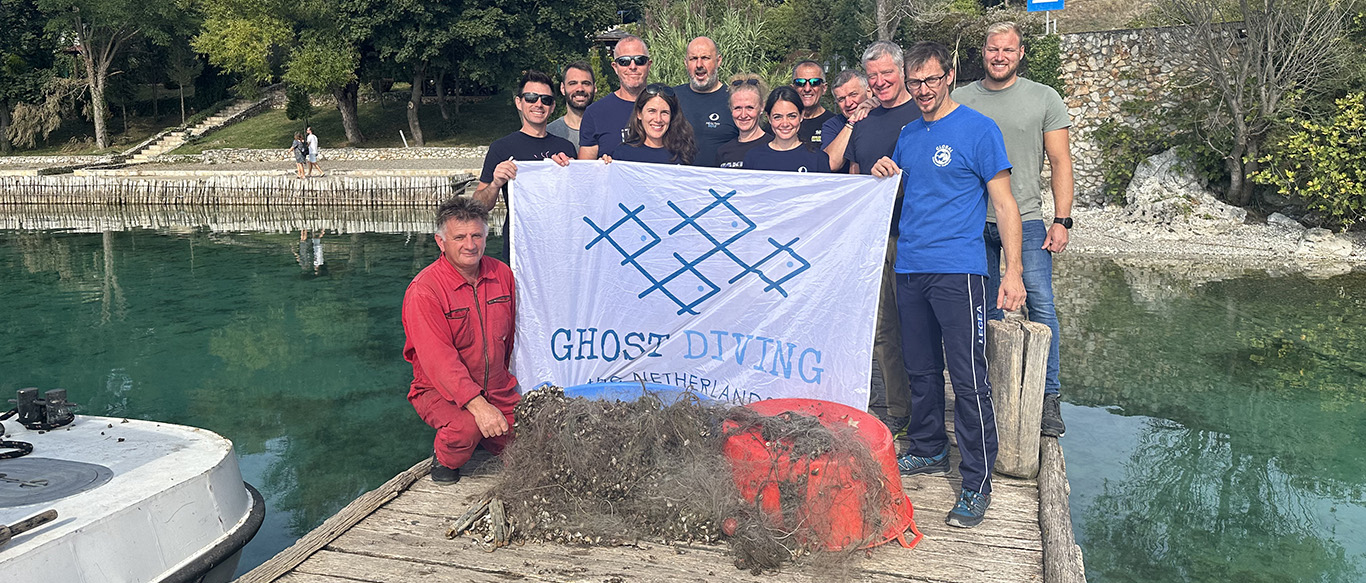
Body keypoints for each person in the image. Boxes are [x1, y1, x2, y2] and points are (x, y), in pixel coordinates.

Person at [870, 41, 1026, 529]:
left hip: (959, 269)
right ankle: (929, 447)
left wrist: (1014, 271)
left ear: (950, 76)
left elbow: (1004, 205)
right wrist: (882, 173)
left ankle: (977, 480)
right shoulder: (909, 133)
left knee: (968, 377)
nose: (922, 90)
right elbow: (901, 192)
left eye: (931, 80)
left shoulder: (979, 129)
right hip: (911, 266)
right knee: (919, 369)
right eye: (914, 82)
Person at [952, 22, 1074, 438]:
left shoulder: (1044, 98)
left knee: (1041, 304)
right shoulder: (960, 99)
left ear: (1020, 53)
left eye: (1007, 50)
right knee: (981, 310)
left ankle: (1048, 397)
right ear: (982, 52)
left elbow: (1060, 162)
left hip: (1025, 218)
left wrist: (1062, 219)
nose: (999, 56)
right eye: (992, 49)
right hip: (972, 222)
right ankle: (987, 390)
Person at [402, 196, 518, 484]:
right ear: (441, 242)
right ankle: (443, 459)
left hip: (497, 386)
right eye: (460, 237)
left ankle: (490, 435)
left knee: (540, 440)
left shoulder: (502, 274)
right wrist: (479, 408)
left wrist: (501, 395)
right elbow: (439, 362)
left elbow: (515, 337)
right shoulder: (424, 290)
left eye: (476, 235)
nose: (470, 244)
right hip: (439, 390)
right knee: (466, 428)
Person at [845, 41, 920, 439]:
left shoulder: (922, 113)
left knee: (921, 329)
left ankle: (927, 412)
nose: (880, 81)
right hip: (875, 241)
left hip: (918, 238)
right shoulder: (865, 124)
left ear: (903, 71)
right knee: (884, 331)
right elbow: (855, 179)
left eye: (887, 73)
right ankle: (898, 409)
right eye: (872, 76)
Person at [472, 70, 577, 212]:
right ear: (519, 102)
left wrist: (572, 173)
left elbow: (579, 200)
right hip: (518, 233)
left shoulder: (566, 148)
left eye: (546, 100)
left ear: (552, 107)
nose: (539, 104)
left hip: (558, 233)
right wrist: (495, 184)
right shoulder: (501, 148)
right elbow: (478, 207)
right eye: (531, 97)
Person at [579, 35, 652, 160]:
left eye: (640, 60)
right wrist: (600, 167)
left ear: (649, 65)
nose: (632, 66)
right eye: (624, 61)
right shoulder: (595, 113)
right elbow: (585, 171)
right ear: (615, 67)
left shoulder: (666, 107)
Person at [672, 37, 738, 167]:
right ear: (686, 63)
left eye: (705, 58)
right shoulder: (672, 97)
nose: (699, 65)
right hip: (679, 184)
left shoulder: (734, 99)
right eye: (693, 59)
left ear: (718, 61)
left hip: (720, 185)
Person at [604, 83, 697, 165]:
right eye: (652, 111)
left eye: (664, 112)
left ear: (672, 116)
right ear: (639, 113)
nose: (658, 119)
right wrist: (603, 168)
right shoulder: (623, 154)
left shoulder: (683, 154)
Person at [742, 86, 829, 173]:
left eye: (791, 116)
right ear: (769, 118)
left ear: (801, 115)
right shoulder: (753, 157)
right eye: (777, 117)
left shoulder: (818, 159)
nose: (785, 123)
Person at [820, 70, 876, 173]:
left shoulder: (882, 116)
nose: (848, 103)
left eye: (853, 95)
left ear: (869, 92)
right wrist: (851, 122)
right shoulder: (832, 125)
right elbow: (831, 164)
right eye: (841, 99)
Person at [715, 75, 772, 169]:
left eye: (749, 108)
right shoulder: (723, 151)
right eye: (737, 108)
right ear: (730, 108)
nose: (743, 115)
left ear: (762, 107)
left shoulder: (774, 147)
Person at [547, 61, 596, 151]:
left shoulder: (607, 130)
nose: (580, 89)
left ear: (594, 88)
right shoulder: (549, 133)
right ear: (562, 88)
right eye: (573, 83)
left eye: (586, 83)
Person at [792, 60, 835, 146]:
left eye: (814, 82)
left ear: (824, 88)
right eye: (800, 83)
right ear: (793, 88)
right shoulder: (782, 125)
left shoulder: (835, 124)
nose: (807, 89)